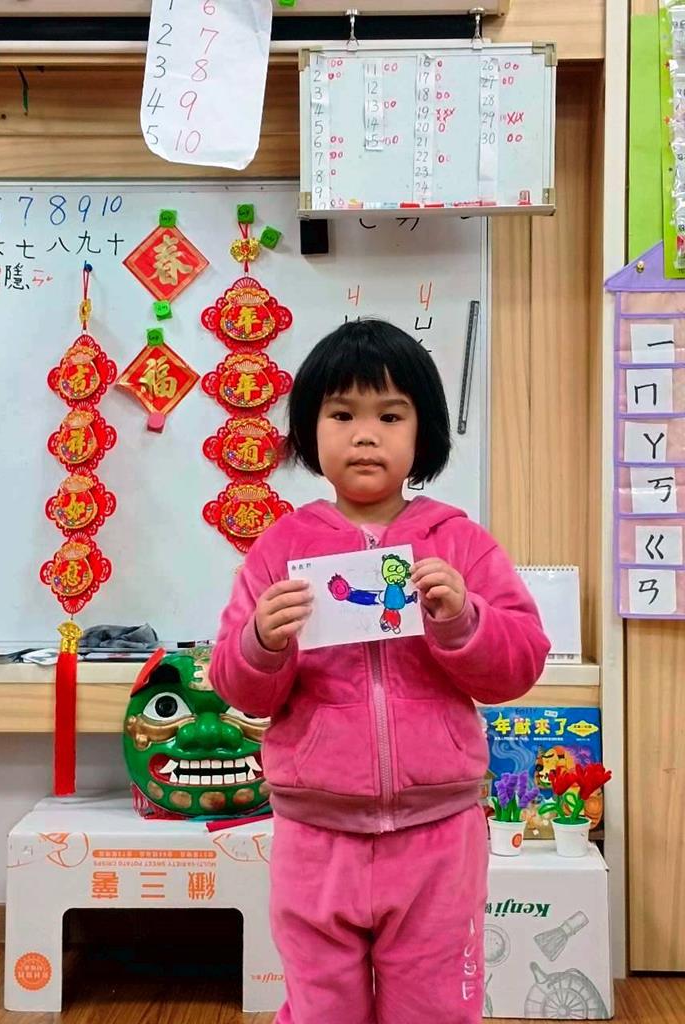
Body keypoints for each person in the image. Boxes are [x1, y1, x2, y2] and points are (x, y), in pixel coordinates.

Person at [210, 319, 549, 1024]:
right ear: (309, 430)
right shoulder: (280, 548)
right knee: (320, 1007)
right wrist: (262, 642)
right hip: (315, 834)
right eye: (342, 415)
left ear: (423, 433)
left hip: (439, 831)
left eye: (390, 417)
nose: (365, 435)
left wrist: (463, 619)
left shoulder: (458, 542)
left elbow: (519, 664)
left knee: (434, 1007)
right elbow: (239, 689)